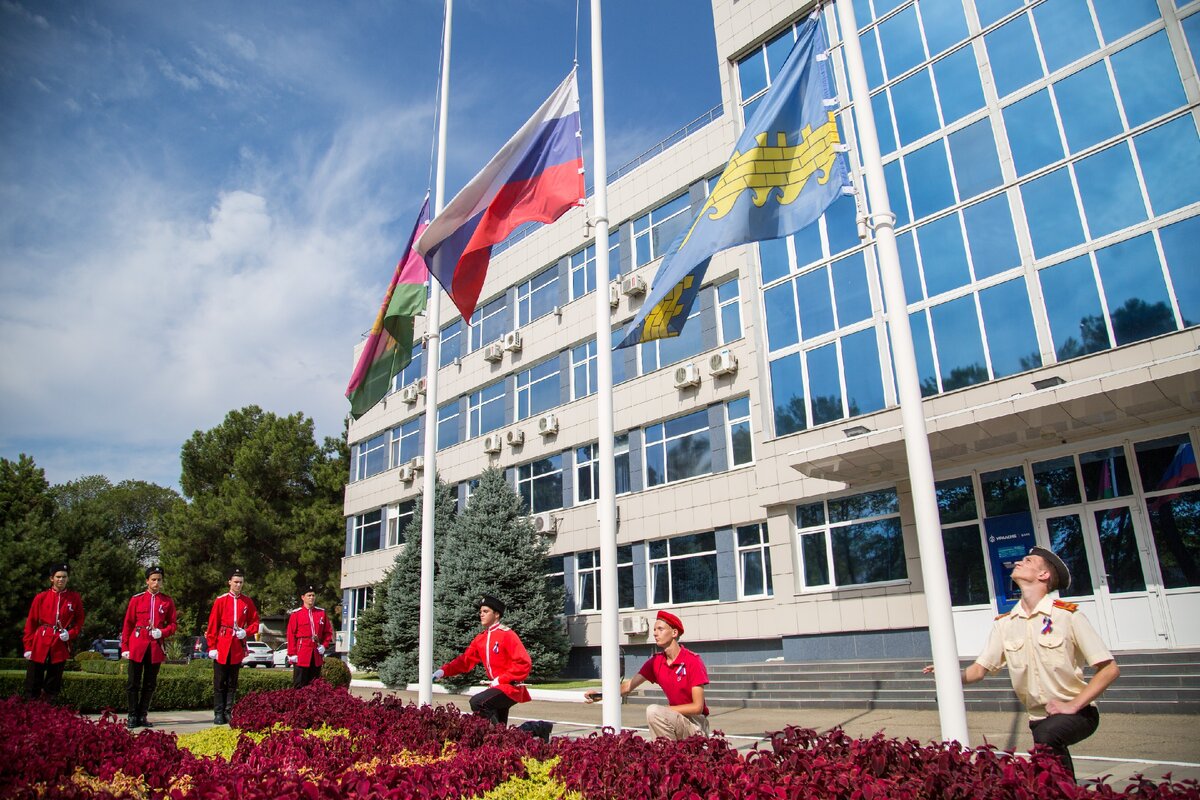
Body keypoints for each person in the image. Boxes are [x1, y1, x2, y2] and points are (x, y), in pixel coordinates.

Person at [924, 546, 1119, 780]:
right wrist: (947, 673)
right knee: (1048, 770)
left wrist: (1073, 705)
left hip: (1077, 713)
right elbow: (978, 671)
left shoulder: (1067, 616)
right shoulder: (1005, 624)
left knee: (1049, 739)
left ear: (1043, 576)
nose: (1019, 562)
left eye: (1028, 560)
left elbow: (1109, 669)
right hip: (1038, 719)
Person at [585, 609, 710, 740]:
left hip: (696, 724)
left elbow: (697, 707)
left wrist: (667, 711)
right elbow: (627, 687)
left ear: (674, 633)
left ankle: (673, 753)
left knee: (654, 712)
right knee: (656, 715)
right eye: (654, 630)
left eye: (660, 629)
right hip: (675, 718)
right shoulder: (656, 662)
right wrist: (601, 695)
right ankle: (667, 756)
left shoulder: (692, 661)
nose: (655, 633)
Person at [433, 595, 532, 726]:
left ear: (496, 614)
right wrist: (442, 671)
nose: (481, 615)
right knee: (500, 727)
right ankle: (539, 729)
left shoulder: (507, 635)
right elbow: (465, 661)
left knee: (478, 702)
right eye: (480, 612)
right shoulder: (481, 638)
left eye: (486, 611)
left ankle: (499, 736)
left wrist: (501, 679)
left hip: (510, 688)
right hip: (497, 687)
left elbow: (524, 663)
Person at [120, 565, 177, 728]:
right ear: (147, 581)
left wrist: (162, 632)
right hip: (138, 644)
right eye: (153, 580)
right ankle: (132, 714)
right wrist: (125, 647)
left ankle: (142, 714)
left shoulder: (166, 601)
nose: (156, 583)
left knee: (150, 683)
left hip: (155, 646)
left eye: (159, 580)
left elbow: (173, 624)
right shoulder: (137, 599)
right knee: (133, 682)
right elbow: (128, 624)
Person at [205, 567, 260, 725]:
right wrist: (212, 646)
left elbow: (255, 622)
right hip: (222, 644)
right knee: (219, 681)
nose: (238, 585)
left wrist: (246, 632)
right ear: (229, 582)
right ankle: (218, 712)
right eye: (235, 582)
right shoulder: (221, 600)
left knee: (232, 682)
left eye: (241, 582)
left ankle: (228, 711)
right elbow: (213, 625)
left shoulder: (247, 601)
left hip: (236, 645)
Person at [22, 563, 84, 703]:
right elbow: (31, 623)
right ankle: (30, 709)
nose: (61, 580)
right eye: (58, 577)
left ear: (68, 578)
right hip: (41, 640)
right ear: (52, 578)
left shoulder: (74, 598)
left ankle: (50, 712)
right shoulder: (41, 597)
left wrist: (71, 633)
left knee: (54, 680)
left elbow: (79, 620)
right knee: (33, 679)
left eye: (64, 577)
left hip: (59, 642)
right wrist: (28, 646)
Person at [286, 583, 333, 689]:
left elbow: (328, 632)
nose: (311, 598)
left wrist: (324, 646)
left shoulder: (321, 613)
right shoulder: (296, 614)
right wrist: (292, 653)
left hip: (316, 653)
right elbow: (291, 635)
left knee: (315, 684)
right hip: (302, 652)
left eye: (313, 595)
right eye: (309, 595)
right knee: (300, 683)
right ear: (303, 597)